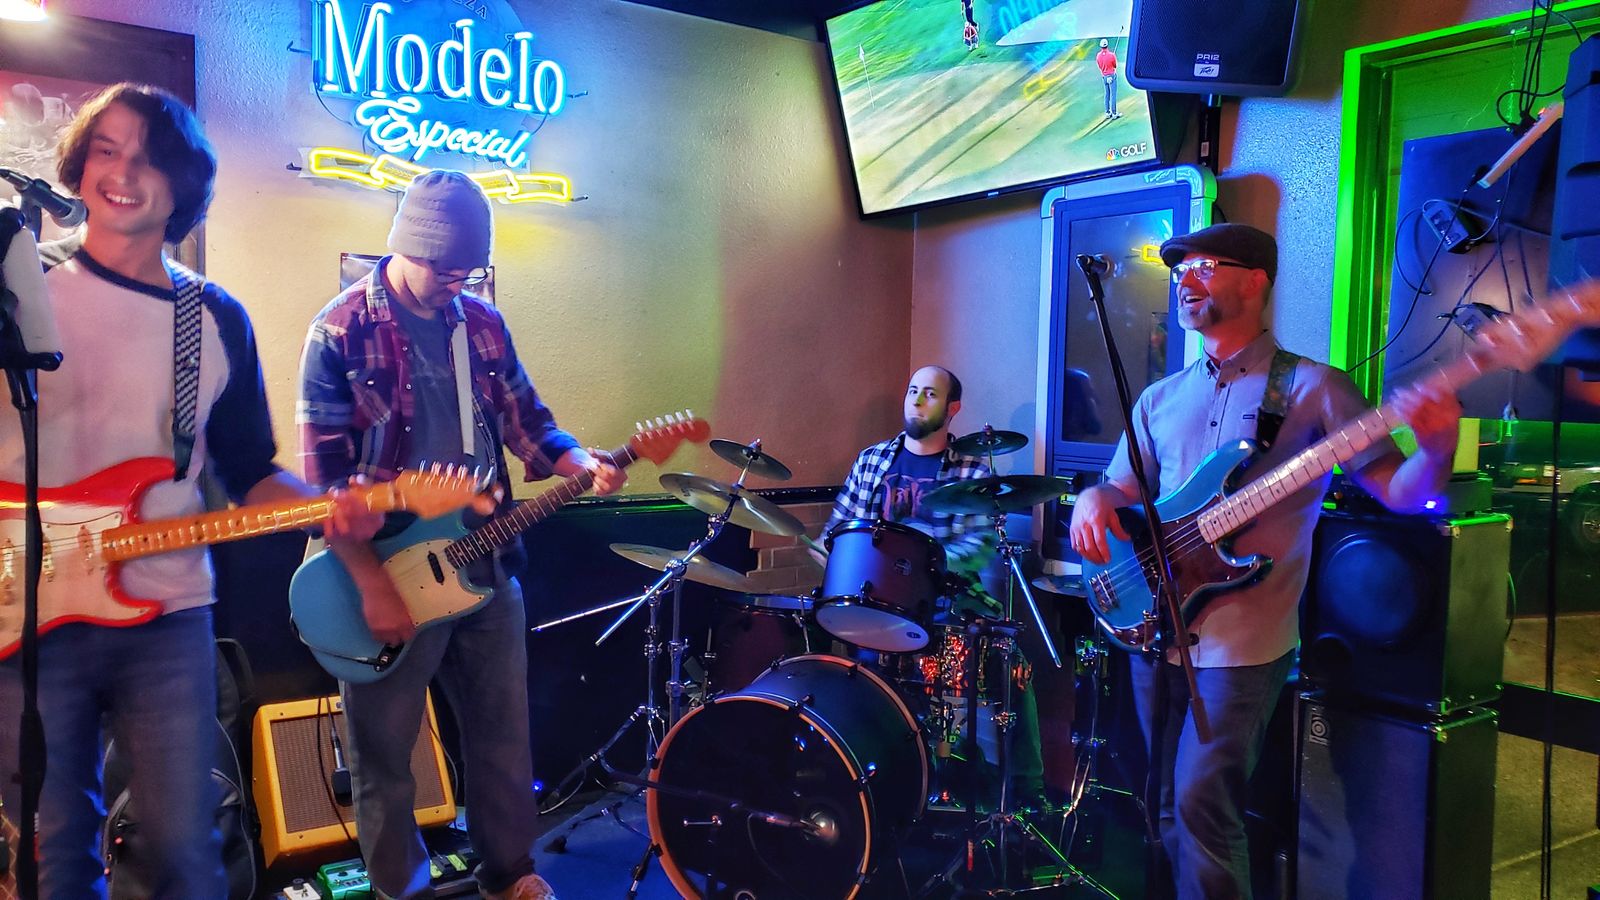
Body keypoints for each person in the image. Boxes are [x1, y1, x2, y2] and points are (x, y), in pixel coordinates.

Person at [0, 82, 376, 899]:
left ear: (183, 186)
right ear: (79, 166)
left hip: (165, 617)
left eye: (149, 158)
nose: (123, 172)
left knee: (183, 845)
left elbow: (248, 469)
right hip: (25, 607)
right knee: (53, 854)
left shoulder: (212, 317)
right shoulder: (18, 290)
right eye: (106, 150)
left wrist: (327, 509)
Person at [1069, 223, 1461, 900]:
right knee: (1162, 804)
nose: (1185, 282)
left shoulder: (1316, 388)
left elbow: (1402, 493)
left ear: (1255, 281)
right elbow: (1123, 488)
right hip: (1156, 623)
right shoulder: (1160, 397)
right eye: (1180, 271)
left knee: (1202, 803)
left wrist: (1436, 448)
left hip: (1245, 642)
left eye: (1204, 267)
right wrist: (1094, 497)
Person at [298, 169, 625, 900]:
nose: (457, 283)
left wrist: (578, 462)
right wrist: (372, 585)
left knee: (504, 739)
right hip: (381, 571)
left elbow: (529, 422)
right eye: (445, 268)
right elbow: (326, 485)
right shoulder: (341, 329)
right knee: (385, 758)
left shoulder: (480, 323)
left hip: (484, 560)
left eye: (469, 270)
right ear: (405, 245)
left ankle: (510, 875)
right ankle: (401, 890)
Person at [819, 365, 1045, 807]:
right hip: (875, 605)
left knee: (1009, 661)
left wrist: (923, 560)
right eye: (913, 391)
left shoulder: (971, 471)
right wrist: (830, 554)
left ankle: (1026, 790)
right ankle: (880, 785)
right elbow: (838, 530)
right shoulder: (872, 461)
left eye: (930, 394)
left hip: (946, 602)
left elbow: (977, 547)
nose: (918, 401)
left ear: (952, 408)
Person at [1096, 38, 1120, 119]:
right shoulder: (1112, 55)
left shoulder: (1098, 56)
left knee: (1107, 94)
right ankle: (1114, 113)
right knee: (1113, 95)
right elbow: (1115, 66)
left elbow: (1100, 66)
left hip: (1104, 77)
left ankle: (1107, 112)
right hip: (1112, 76)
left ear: (1101, 46)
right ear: (1107, 45)